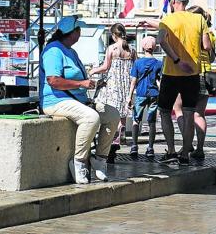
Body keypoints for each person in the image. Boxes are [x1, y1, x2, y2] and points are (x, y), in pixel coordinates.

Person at [40, 15, 120, 184]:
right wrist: (81, 83)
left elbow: (78, 79)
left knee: (112, 115)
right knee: (91, 118)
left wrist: (90, 84)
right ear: (73, 33)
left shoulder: (71, 51)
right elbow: (53, 80)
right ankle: (79, 162)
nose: (81, 32)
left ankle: (99, 160)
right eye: (79, 29)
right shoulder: (53, 50)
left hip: (76, 100)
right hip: (55, 101)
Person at [157, 0, 212, 165]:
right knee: (189, 113)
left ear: (173, 2)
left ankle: (172, 150)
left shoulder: (167, 20)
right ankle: (185, 154)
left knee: (165, 111)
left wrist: (177, 60)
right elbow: (206, 46)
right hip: (193, 73)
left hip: (171, 72)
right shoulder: (199, 18)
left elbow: (161, 41)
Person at [172, 5, 215, 160]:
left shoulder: (190, 31)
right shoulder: (210, 34)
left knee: (179, 109)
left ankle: (187, 144)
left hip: (189, 73)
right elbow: (210, 57)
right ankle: (200, 149)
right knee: (199, 114)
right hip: (206, 74)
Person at [89, 23, 136, 160]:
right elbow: (135, 69)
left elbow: (105, 67)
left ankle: (112, 144)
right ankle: (119, 138)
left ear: (114, 35)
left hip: (113, 85)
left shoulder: (112, 48)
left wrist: (93, 70)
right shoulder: (131, 50)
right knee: (121, 115)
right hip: (126, 86)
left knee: (111, 113)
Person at [126, 36, 163, 158]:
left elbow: (133, 82)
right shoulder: (159, 64)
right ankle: (150, 148)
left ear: (143, 47)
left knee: (136, 120)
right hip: (154, 94)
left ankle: (134, 146)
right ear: (155, 47)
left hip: (141, 94)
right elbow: (160, 81)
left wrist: (129, 97)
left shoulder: (138, 63)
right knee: (152, 122)